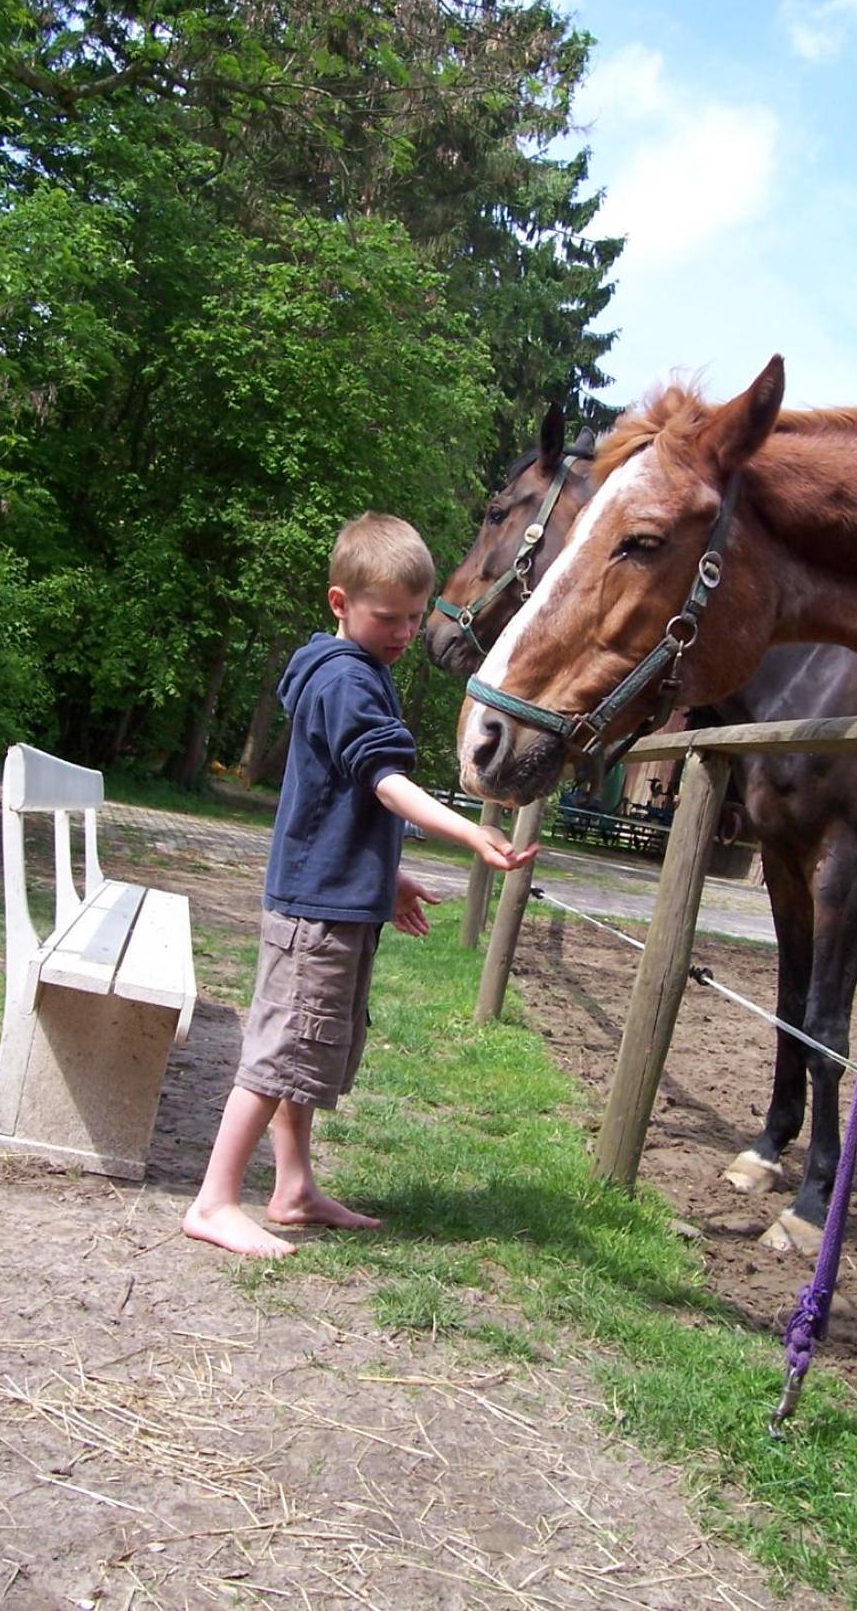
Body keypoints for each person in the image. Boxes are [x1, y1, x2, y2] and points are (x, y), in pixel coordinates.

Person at [183, 512, 539, 1259]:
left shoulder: (350, 670)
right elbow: (381, 782)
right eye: (388, 617)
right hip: (316, 910)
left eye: (416, 616)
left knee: (305, 1049)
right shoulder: (347, 680)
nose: (406, 632)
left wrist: (389, 876)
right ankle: (215, 1200)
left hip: (332, 894)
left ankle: (293, 1187)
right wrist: (470, 831)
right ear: (340, 603)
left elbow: (333, 803)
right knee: (282, 1050)